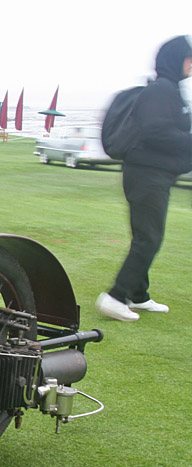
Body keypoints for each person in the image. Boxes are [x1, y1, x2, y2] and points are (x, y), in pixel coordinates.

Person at [96, 36, 192, 321]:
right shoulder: (162, 90)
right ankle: (115, 296)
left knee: (144, 235)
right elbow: (157, 132)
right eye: (189, 58)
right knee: (149, 238)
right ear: (176, 60)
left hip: (152, 174)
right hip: (146, 175)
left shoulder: (169, 90)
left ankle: (138, 296)